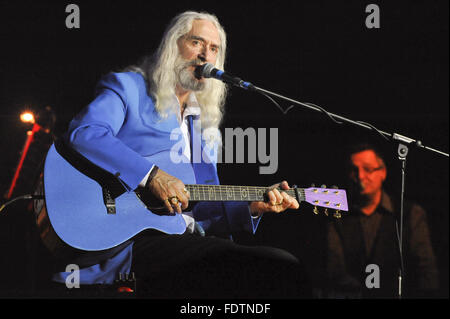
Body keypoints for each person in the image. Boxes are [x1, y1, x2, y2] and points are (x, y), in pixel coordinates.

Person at [47, 11, 310, 298]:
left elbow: (204, 213)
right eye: (196, 42)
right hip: (126, 242)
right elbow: (85, 132)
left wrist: (253, 207)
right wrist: (151, 176)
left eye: (213, 48)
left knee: (275, 268)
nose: (204, 55)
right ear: (173, 45)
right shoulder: (130, 88)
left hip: (177, 241)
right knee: (276, 266)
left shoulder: (205, 127)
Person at [325, 143, 439, 298]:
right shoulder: (337, 216)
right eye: (354, 170)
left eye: (368, 169)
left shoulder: (410, 213)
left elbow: (426, 273)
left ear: (383, 172)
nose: (360, 176)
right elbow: (335, 270)